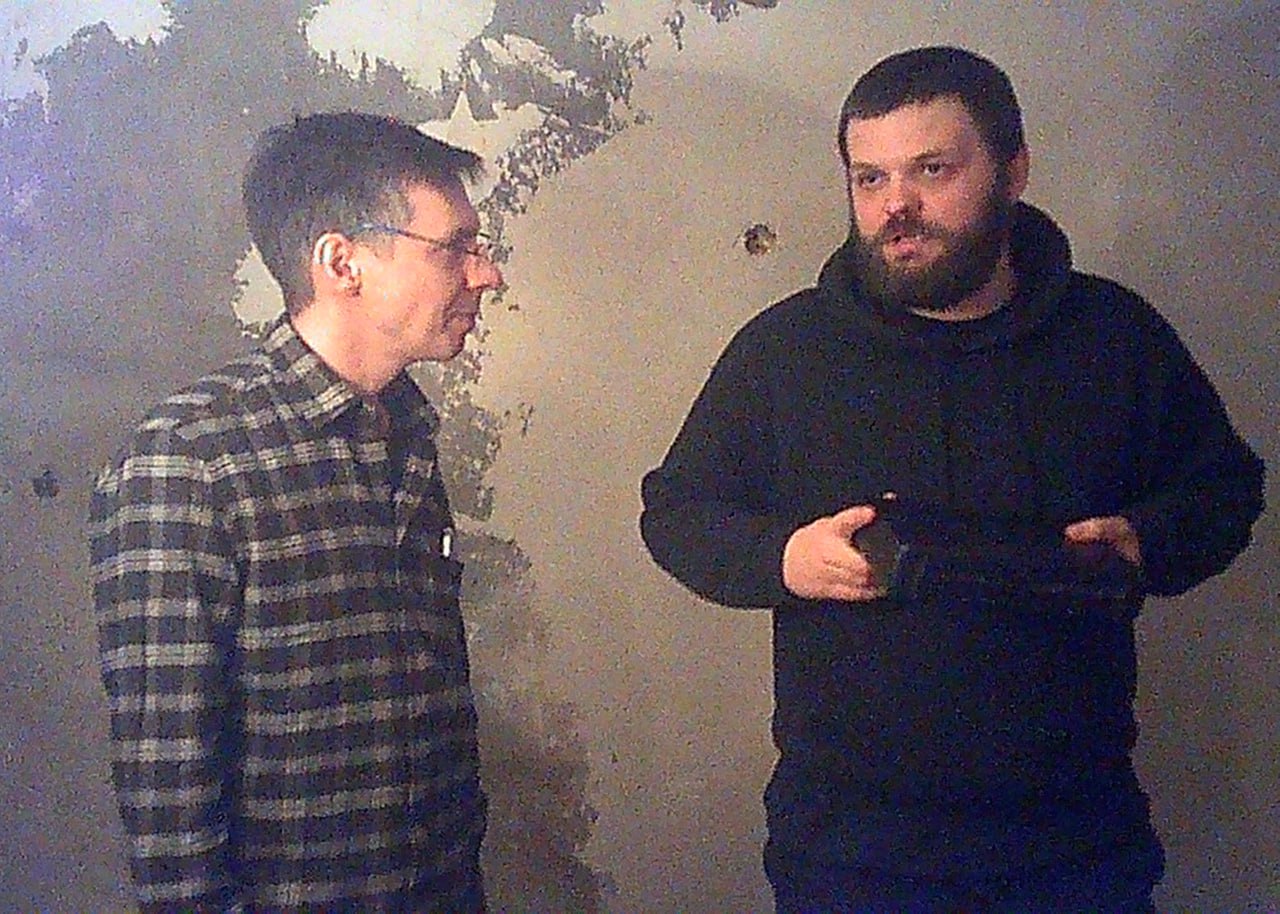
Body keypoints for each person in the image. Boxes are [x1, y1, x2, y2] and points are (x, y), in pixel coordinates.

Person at [640, 46, 1265, 913]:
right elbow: (676, 511)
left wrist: (1149, 541)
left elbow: (1225, 490)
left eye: (931, 170)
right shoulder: (785, 351)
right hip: (849, 853)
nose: (896, 206)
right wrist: (782, 558)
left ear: (1013, 171)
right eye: (870, 178)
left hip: (1075, 844)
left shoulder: (1115, 337)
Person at [90, 111, 504, 912]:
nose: (485, 274)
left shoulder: (404, 432)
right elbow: (170, 807)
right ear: (342, 263)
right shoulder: (189, 460)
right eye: (455, 247)